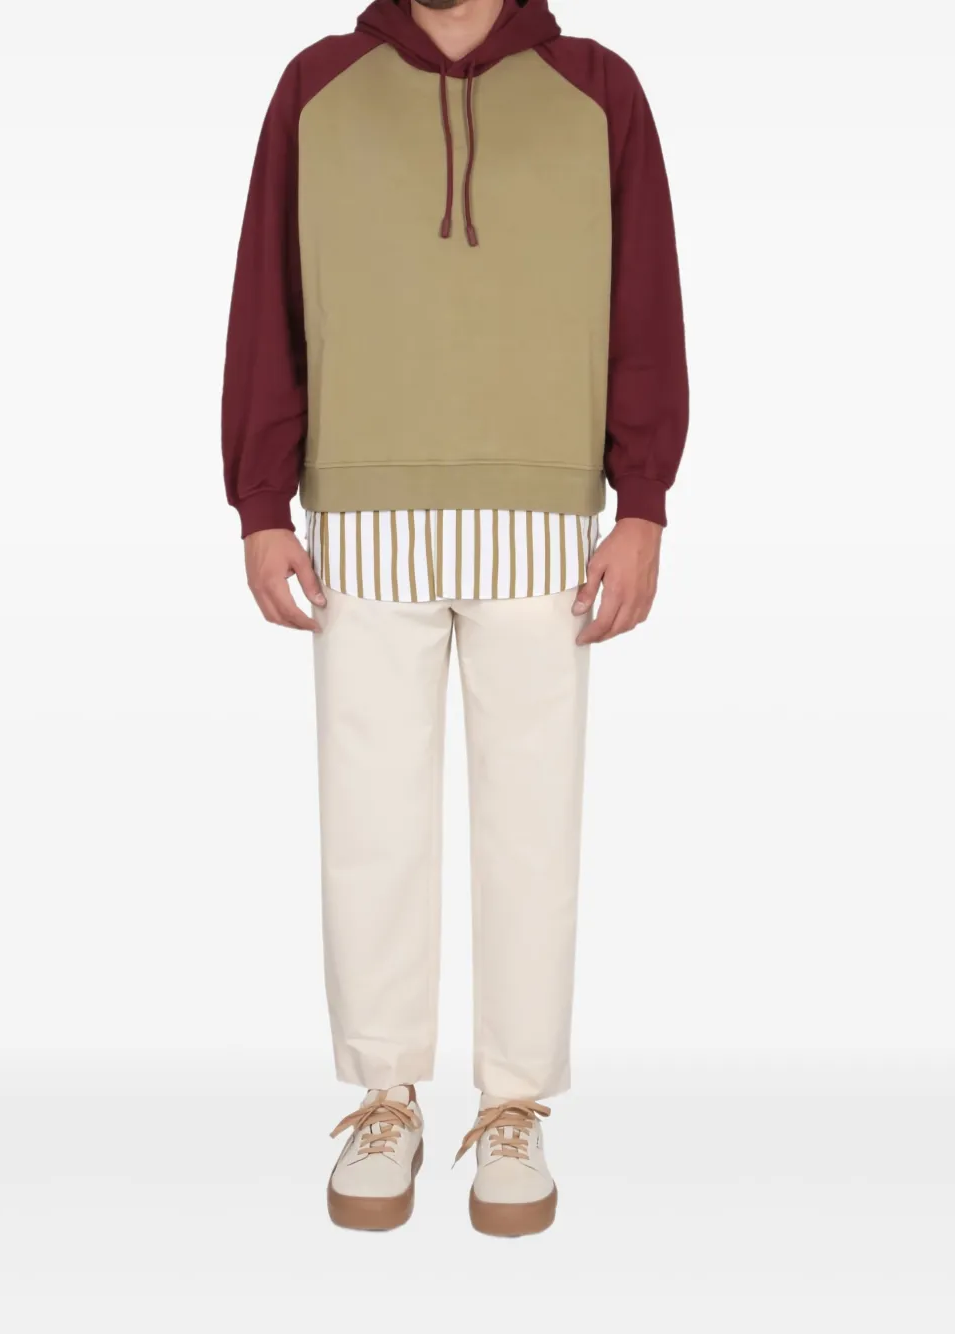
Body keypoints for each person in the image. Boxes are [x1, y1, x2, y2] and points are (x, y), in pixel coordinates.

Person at [222, 0, 688, 1237]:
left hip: (543, 525)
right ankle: (387, 1094)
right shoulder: (318, 87)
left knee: (531, 825)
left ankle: (513, 1101)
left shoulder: (596, 89)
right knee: (369, 822)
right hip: (360, 518)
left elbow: (644, 299)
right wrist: (259, 500)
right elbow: (267, 293)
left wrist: (644, 497)